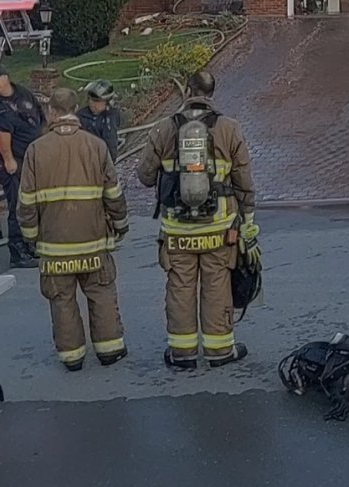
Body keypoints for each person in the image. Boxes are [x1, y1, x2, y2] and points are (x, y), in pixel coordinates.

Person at [136, 69, 256, 371]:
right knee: (217, 285)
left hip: (177, 230)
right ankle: (219, 351)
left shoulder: (165, 128)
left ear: (188, 91)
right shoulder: (229, 128)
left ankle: (182, 353)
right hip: (219, 228)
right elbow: (243, 181)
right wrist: (248, 222)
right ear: (211, 94)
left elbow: (145, 176)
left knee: (180, 286)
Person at [16, 85, 129, 371]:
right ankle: (110, 350)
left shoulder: (36, 151)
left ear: (51, 112)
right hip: (93, 241)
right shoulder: (96, 146)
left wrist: (31, 238)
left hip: (54, 247)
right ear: (75, 109)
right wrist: (120, 225)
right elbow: (113, 193)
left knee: (62, 299)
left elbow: (26, 202)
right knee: (101, 293)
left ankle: (72, 356)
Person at [0, 64, 46, 265]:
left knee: (30, 203)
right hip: (10, 163)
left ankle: (30, 245)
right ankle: (17, 251)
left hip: (29, 158)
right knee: (17, 205)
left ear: (6, 77)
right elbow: (2, 134)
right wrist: (8, 160)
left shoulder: (22, 94)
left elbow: (38, 116)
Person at [79, 82, 120, 162]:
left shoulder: (110, 118)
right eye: (90, 99)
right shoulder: (81, 116)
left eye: (96, 101)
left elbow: (111, 144)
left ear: (107, 102)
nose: (91, 102)